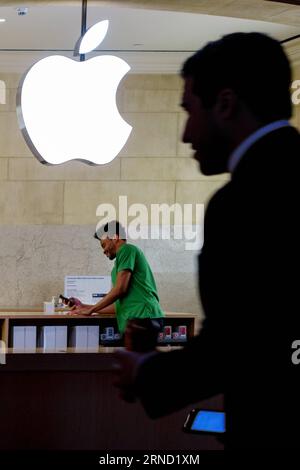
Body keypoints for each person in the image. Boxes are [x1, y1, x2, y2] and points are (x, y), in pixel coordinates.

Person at [116, 32, 300, 448]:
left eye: (188, 110)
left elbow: (238, 347)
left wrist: (143, 372)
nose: (185, 135)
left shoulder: (242, 201)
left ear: (225, 104)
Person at [71, 221, 164, 339]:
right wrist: (86, 307)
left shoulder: (127, 250)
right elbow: (118, 306)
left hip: (143, 318)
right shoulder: (118, 266)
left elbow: (120, 289)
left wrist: (91, 310)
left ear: (115, 237)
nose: (103, 251)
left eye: (104, 245)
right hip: (135, 320)